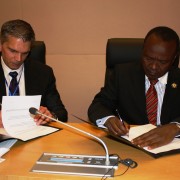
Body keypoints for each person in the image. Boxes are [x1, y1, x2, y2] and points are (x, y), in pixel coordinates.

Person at [88, 26, 180, 150]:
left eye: (162, 62)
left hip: (171, 148)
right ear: (142, 51)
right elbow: (98, 105)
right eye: (148, 58)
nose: (153, 66)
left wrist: (176, 127)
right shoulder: (122, 74)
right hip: (131, 147)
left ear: (173, 59)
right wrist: (108, 119)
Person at [0, 19, 67, 127]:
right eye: (13, 51)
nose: (18, 58)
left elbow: (61, 113)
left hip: (33, 138)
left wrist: (50, 115)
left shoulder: (43, 73)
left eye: (25, 53)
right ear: (1, 45)